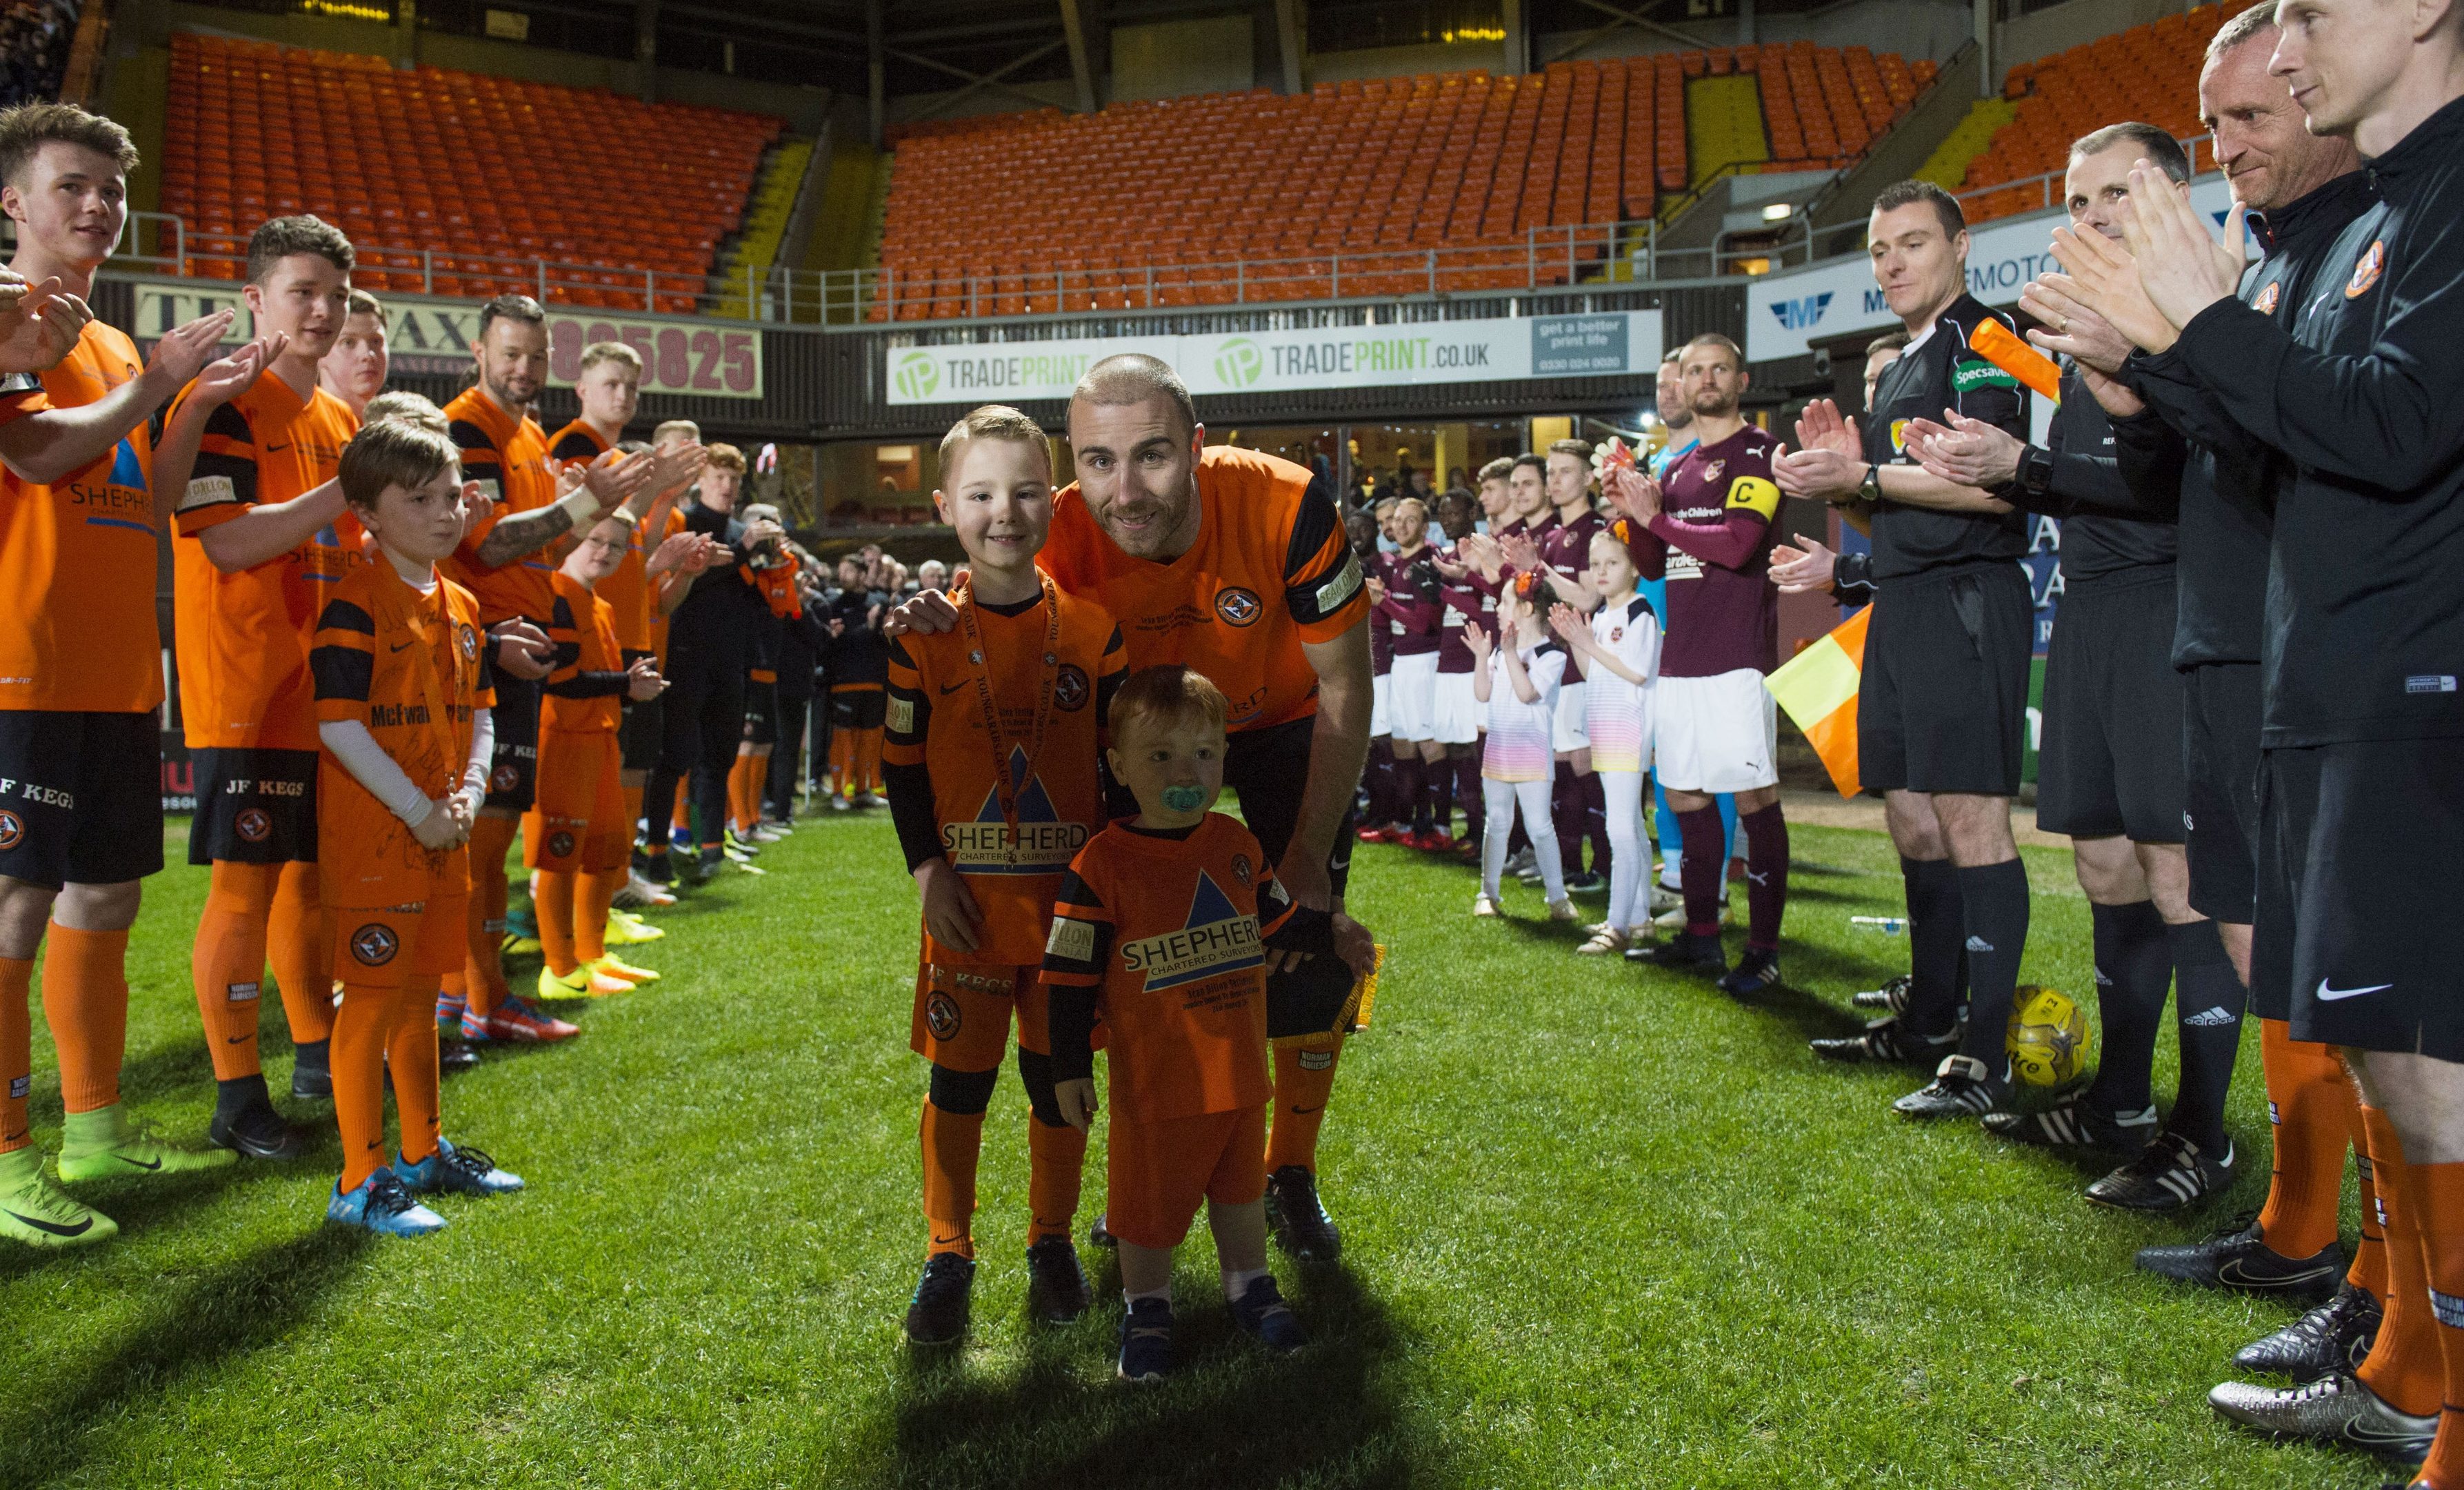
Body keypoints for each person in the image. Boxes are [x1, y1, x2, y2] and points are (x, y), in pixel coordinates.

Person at [2053, 0, 2464, 1467]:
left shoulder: (2416, 204)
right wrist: (2158, 363)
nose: (2283, 67)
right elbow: (2288, 440)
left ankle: (2416, 1366)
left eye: (2309, 24)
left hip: (2398, 687)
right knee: (2389, 1056)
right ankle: (2394, 1337)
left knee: (2421, 1056)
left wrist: (2193, 330)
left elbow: (2393, 426)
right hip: (2319, 670)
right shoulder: (2370, 220)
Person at [888, 353, 1373, 1264]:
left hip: (1278, 726)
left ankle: (1291, 1173)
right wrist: (929, 600)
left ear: (1196, 448)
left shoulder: (1287, 503)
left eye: (1151, 456)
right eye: (1099, 463)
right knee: (1136, 964)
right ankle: (1144, 1168)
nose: (1125, 489)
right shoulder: (1060, 525)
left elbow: (1347, 680)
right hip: (1137, 751)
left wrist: (1305, 853)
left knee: (1304, 949)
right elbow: (986, 588)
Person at [1905, 126, 2241, 1214]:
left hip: (2167, 607)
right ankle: (2122, 1102)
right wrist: (1996, 464)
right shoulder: (2067, 322)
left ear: (2166, 193)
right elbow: (2086, 478)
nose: (2091, 213)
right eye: (2076, 194)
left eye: (2114, 192)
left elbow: (2170, 489)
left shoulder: (2197, 310)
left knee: (2181, 875)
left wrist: (2024, 466)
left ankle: (2205, 1133)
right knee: (2103, 867)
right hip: (2090, 612)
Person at [0, 102, 239, 1246]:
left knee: (105, 893)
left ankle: (92, 1126)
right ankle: (4, 1161)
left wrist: (190, 401)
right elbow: (40, 452)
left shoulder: (98, 337)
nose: (96, 206)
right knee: (13, 910)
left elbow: (135, 499)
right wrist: (154, 385)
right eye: (71, 186)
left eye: (111, 188)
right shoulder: (7, 319)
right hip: (22, 666)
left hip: (110, 673)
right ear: (15, 200)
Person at [1776, 179, 2037, 1119]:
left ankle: (1985, 1056)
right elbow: (1885, 505)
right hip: (1903, 604)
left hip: (1968, 603)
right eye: (1880, 249)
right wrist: (1838, 490)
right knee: (1915, 821)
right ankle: (1928, 1020)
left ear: (1961, 248)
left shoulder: (1989, 341)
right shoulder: (1898, 366)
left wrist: (1865, 474)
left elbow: (1997, 486)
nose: (1891, 263)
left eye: (1912, 244)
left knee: (1970, 821)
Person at [1045, 665, 1369, 1380]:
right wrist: (1067, 1065)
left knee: (1240, 1194)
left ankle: (1249, 1286)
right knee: (1145, 1210)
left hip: (1240, 1076)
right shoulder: (1100, 865)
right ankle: (1148, 1306)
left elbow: (1285, 924)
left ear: (1225, 760)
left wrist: (1337, 930)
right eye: (1160, 756)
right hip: (1156, 1088)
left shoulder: (1238, 846)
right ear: (1119, 766)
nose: (1184, 771)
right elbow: (1066, 981)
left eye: (1203, 753)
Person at [883, 405, 1126, 1344]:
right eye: (981, 493)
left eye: (1026, 491)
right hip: (969, 911)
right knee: (958, 1087)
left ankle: (1050, 1240)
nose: (1005, 511)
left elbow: (1116, 771)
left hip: (1068, 913)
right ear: (947, 504)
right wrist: (925, 872)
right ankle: (948, 1253)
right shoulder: (921, 633)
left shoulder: (1097, 633)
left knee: (1056, 1079)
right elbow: (901, 767)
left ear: (1052, 503)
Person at [154, 214, 364, 1160]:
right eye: (301, 292)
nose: (321, 311)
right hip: (246, 677)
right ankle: (236, 1095)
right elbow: (230, 540)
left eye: (336, 295)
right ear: (254, 300)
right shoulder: (223, 403)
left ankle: (315, 1052)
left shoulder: (339, 416)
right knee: (245, 888)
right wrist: (354, 487)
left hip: (326, 683)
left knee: (312, 878)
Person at [310, 416, 523, 1236]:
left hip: (446, 831)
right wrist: (420, 811)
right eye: (420, 499)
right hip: (379, 840)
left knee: (422, 995)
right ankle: (358, 1181)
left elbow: (480, 714)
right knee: (369, 1001)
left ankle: (421, 1150)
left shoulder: (464, 602)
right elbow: (337, 725)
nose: (444, 514)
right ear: (366, 511)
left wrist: (466, 795)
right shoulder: (353, 606)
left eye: (452, 497)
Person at [442, 295, 650, 1041]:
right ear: (479, 351)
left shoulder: (528, 433)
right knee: (479, 839)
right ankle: (474, 998)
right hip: (487, 640)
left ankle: (478, 995)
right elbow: (490, 545)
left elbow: (543, 549)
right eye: (511, 354)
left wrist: (602, 510)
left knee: (491, 840)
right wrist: (582, 506)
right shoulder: (467, 424)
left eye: (536, 356)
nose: (525, 369)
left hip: (520, 643)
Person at [1610, 333, 1790, 993]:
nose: (1705, 379)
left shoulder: (1760, 453)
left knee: (1752, 798)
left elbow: (1739, 544)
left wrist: (1654, 520)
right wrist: (1631, 517)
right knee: (1684, 796)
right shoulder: (1678, 466)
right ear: (1679, 385)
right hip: (1681, 661)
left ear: (1740, 380)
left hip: (1736, 658)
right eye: (1693, 371)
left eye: (1718, 369)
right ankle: (1703, 938)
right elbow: (1656, 563)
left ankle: (1764, 952)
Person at [548, 343, 703, 913]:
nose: (623, 397)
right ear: (581, 389)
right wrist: (655, 490)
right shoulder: (572, 448)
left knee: (629, 769)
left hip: (626, 628)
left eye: (631, 388)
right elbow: (588, 532)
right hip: (587, 627)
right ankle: (583, 900)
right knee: (597, 775)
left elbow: (634, 550)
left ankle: (612, 883)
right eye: (611, 385)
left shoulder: (613, 455)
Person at [529, 514, 667, 1000]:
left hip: (600, 736)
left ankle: (591, 953)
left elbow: (593, 679)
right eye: (596, 540)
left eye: (616, 546)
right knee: (560, 855)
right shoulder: (555, 593)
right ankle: (560, 968)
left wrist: (630, 688)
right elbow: (559, 680)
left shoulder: (600, 605)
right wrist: (625, 684)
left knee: (603, 851)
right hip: (563, 740)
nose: (605, 552)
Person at [641, 443, 781, 879]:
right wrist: (743, 550)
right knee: (676, 754)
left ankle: (712, 848)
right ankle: (658, 850)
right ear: (700, 480)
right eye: (719, 477)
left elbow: (746, 592)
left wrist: (769, 566)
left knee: (720, 755)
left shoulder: (740, 529)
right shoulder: (688, 522)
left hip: (729, 656)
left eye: (734, 479)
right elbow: (692, 583)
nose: (726, 486)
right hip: (685, 653)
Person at [1549, 529, 1659, 955]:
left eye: (1612, 563)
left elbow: (1637, 671)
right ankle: (1639, 917)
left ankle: (1618, 926)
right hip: (1607, 723)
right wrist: (1580, 641)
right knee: (1629, 825)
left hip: (1627, 726)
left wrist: (1587, 642)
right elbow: (1594, 671)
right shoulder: (1605, 615)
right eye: (1596, 565)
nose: (1602, 572)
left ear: (1634, 568)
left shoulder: (1639, 612)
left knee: (1619, 828)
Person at [1468, 574, 1572, 922]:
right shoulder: (1500, 650)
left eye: (1505, 602)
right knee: (1496, 821)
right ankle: (1488, 892)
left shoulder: (1551, 655)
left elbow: (1528, 694)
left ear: (1527, 609)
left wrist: (1509, 654)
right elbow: (1483, 694)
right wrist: (1484, 657)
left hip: (1532, 750)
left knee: (1539, 825)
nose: (1498, 608)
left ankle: (1558, 898)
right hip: (1499, 747)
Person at [1365, 496, 1449, 848]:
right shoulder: (1394, 564)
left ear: (1425, 527)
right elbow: (1389, 620)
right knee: (1402, 745)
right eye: (1397, 519)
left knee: (1430, 746)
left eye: (1410, 520)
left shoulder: (1429, 561)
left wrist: (1384, 601)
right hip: (1401, 663)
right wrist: (1375, 601)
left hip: (1425, 662)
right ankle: (1404, 822)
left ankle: (1440, 827)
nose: (1400, 526)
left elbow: (1423, 624)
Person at [1428, 490, 1492, 860]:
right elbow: (1434, 623)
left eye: (1455, 511)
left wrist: (1447, 594)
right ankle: (1468, 825)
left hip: (1473, 664)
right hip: (1446, 665)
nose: (1449, 518)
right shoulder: (1444, 559)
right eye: (1443, 512)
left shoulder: (1482, 555)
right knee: (1454, 750)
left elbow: (1485, 611)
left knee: (1474, 750)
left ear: (1473, 512)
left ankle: (1484, 829)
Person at [823, 550, 890, 811]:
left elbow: (884, 641)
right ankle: (839, 791)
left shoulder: (880, 601)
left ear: (863, 575)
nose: (843, 576)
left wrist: (885, 627)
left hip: (874, 678)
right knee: (843, 738)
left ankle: (864, 789)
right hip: (844, 679)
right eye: (840, 571)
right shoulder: (836, 604)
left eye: (849, 571)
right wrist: (868, 626)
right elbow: (837, 642)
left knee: (871, 737)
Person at [317, 287, 387, 417]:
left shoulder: (401, 428)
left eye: (376, 341)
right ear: (319, 351)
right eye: (348, 342)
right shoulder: (298, 420)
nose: (368, 355)